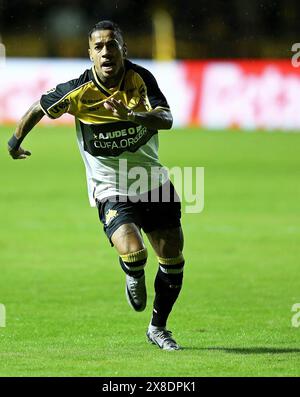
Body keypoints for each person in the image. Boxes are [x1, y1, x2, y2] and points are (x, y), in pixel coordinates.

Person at [7, 20, 185, 351]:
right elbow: (38, 107)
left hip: (152, 181)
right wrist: (14, 142)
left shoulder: (140, 79)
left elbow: (167, 119)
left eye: (112, 44)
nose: (106, 52)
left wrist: (132, 116)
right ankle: (133, 275)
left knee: (173, 258)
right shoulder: (79, 91)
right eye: (99, 46)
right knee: (134, 253)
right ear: (90, 53)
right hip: (110, 187)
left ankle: (158, 329)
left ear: (123, 49)